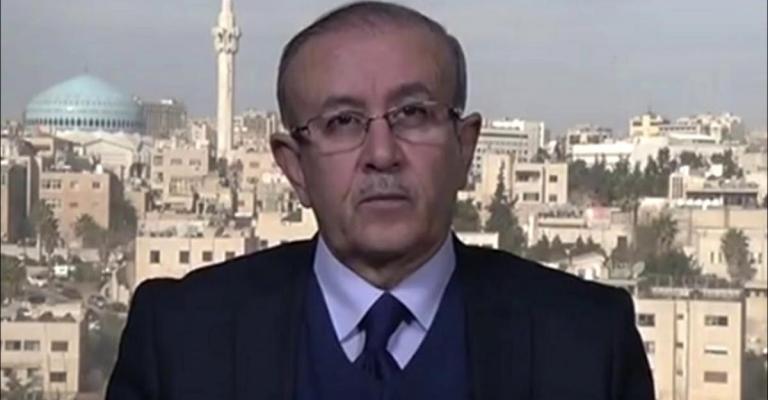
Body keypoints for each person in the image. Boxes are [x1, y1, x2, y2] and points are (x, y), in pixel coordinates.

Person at [106, 2, 654, 399]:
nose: (382, 154)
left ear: (464, 147)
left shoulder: (587, 344)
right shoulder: (181, 340)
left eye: (413, 114)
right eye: (342, 122)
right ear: (294, 166)